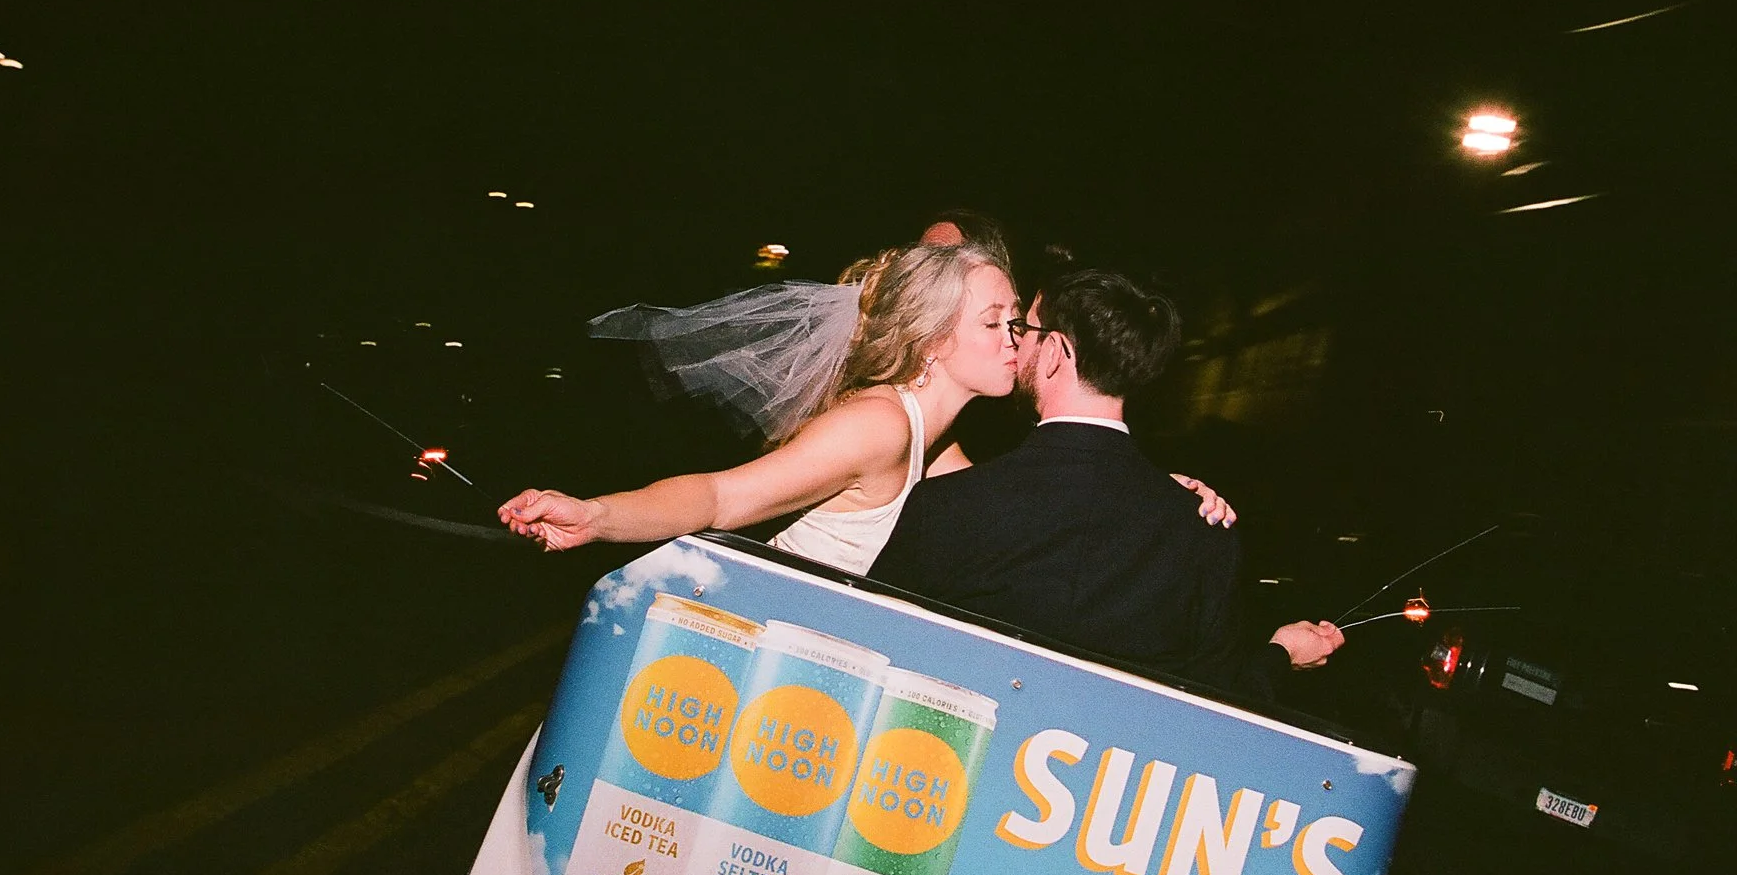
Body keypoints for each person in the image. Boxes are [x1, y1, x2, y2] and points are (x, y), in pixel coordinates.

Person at [499, 239, 1233, 575]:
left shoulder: (935, 442)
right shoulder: (878, 425)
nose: (1018, 338)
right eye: (994, 322)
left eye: (1016, 320)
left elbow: (1033, 507)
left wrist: (1155, 494)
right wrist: (595, 515)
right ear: (933, 341)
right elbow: (721, 497)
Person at [865, 263, 1342, 700]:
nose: (1017, 344)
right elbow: (1219, 705)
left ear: (1054, 352)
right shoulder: (1203, 535)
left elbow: (870, 646)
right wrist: (1280, 654)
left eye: (1025, 329)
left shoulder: (951, 504)